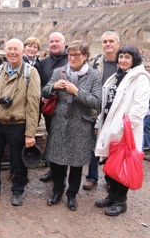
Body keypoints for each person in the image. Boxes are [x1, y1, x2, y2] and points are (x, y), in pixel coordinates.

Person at [0, 38, 41, 206]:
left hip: (17, 124)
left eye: (16, 49)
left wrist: (30, 133)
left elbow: (33, 104)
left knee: (18, 160)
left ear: (22, 52)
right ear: (5, 51)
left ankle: (18, 190)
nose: (12, 52)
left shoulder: (30, 73)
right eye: (9, 49)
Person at [43, 41, 102, 211]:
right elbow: (45, 91)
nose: (73, 58)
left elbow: (97, 102)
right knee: (57, 161)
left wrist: (76, 92)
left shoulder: (93, 75)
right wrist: (54, 86)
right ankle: (57, 191)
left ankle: (72, 195)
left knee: (76, 164)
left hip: (81, 125)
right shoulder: (59, 72)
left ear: (85, 57)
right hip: (59, 123)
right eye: (70, 54)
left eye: (77, 55)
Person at [94, 44, 150, 216]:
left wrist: (122, 130)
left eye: (127, 57)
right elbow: (107, 104)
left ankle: (121, 201)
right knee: (111, 164)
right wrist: (99, 124)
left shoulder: (140, 78)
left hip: (125, 132)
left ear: (134, 59)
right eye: (121, 57)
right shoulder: (117, 76)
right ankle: (111, 195)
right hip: (109, 127)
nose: (123, 60)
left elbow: (139, 109)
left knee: (122, 165)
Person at [83, 31, 120, 191]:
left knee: (113, 146)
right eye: (105, 41)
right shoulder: (95, 62)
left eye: (111, 41)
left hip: (116, 112)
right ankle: (92, 177)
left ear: (118, 43)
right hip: (96, 110)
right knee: (92, 145)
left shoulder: (124, 63)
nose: (108, 44)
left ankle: (110, 178)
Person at [36, 32, 69, 183]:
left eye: (57, 41)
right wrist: (43, 92)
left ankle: (63, 173)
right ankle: (53, 170)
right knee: (52, 139)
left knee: (65, 141)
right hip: (50, 108)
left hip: (67, 108)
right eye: (51, 41)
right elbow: (40, 82)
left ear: (64, 43)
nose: (54, 44)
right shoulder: (43, 62)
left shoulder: (71, 60)